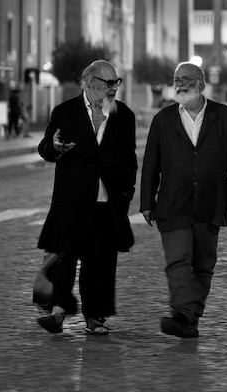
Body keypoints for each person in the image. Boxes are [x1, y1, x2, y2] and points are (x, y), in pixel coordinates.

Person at [141, 62, 227, 339]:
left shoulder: (223, 116)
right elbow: (151, 164)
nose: (181, 84)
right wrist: (146, 202)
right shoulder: (163, 119)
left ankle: (189, 318)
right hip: (173, 203)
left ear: (201, 83)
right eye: (177, 79)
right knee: (177, 260)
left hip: (211, 202)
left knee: (202, 265)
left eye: (187, 79)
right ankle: (181, 312)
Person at [34, 60, 138, 336]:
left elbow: (130, 160)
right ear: (90, 82)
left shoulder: (124, 116)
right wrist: (54, 147)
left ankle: (96, 317)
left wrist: (126, 194)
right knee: (64, 255)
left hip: (107, 202)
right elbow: (45, 147)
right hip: (72, 200)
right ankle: (58, 310)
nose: (113, 88)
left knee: (100, 261)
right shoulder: (65, 112)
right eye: (108, 83)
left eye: (116, 83)